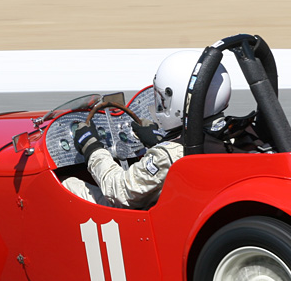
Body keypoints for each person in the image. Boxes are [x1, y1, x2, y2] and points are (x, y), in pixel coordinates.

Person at [62, 50, 231, 209]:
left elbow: (119, 190)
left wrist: (91, 148)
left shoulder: (169, 155)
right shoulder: (233, 135)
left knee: (68, 185)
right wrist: (158, 142)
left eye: (163, 98)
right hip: (204, 204)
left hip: (156, 221)